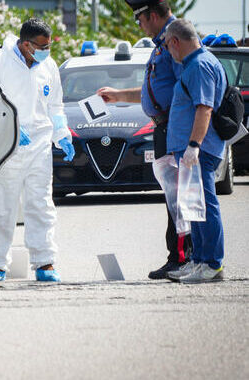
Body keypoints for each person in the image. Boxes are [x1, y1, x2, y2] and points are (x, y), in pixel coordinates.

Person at [96, 0, 192, 280]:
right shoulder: (162, 44)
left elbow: (185, 89)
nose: (138, 25)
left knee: (180, 199)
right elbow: (156, 91)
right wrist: (118, 95)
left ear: (151, 15)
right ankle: (178, 257)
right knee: (173, 199)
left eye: (139, 19)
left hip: (175, 129)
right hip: (166, 128)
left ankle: (183, 258)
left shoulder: (175, 43)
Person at [0, 18, 75, 283]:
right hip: (7, 148)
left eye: (49, 46)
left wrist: (62, 133)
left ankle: (45, 262)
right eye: (41, 46)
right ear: (25, 44)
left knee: (41, 205)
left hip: (40, 146)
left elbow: (55, 105)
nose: (46, 51)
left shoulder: (48, 66)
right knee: (2, 207)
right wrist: (12, 128)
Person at [162, 19, 226, 283]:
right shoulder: (194, 64)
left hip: (199, 149)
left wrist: (193, 145)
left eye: (167, 45)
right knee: (194, 207)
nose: (168, 51)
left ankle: (212, 263)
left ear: (176, 41)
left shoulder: (200, 65)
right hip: (190, 150)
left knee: (205, 205)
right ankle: (199, 260)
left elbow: (204, 108)